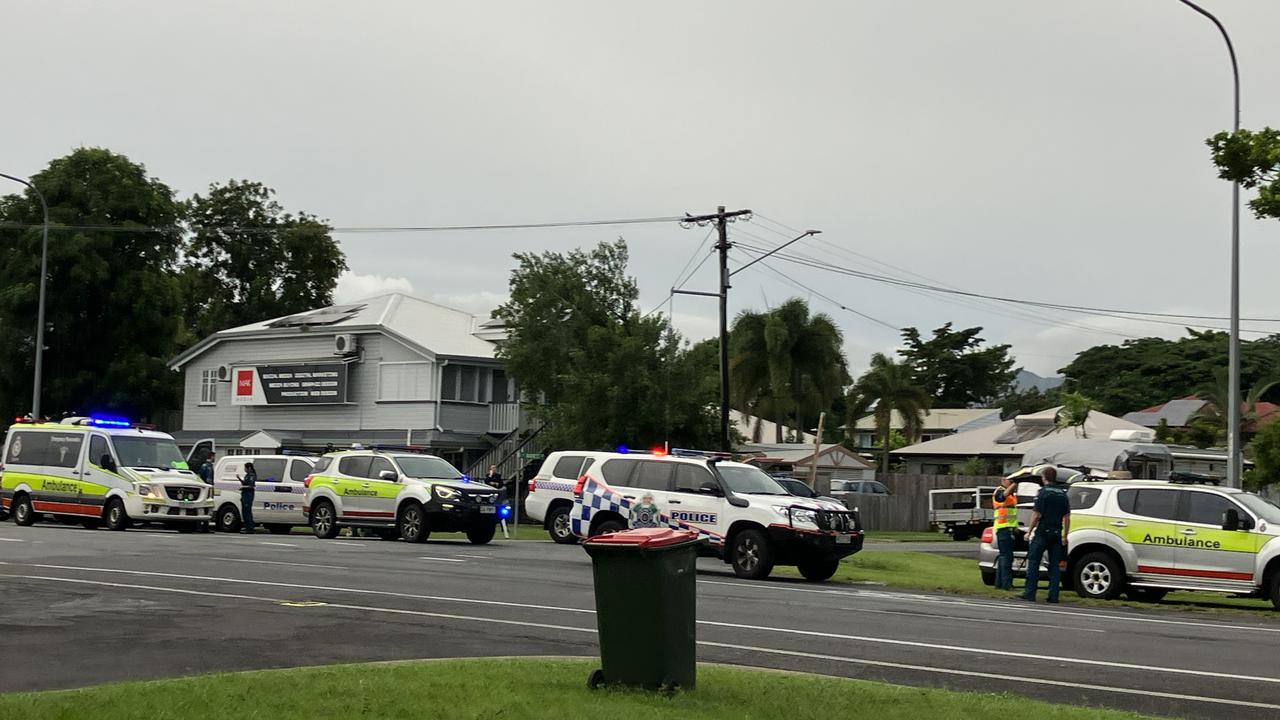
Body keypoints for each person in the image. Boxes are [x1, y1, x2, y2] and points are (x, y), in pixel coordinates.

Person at [1021, 466, 1071, 603]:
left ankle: (1030, 593)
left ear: (1044, 478)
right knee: (1055, 565)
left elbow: (1037, 514)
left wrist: (1029, 531)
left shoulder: (1042, 493)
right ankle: (1053, 595)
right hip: (1056, 532)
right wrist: (1064, 536)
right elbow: (1067, 517)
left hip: (1043, 532)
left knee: (1034, 562)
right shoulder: (1063, 494)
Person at [992, 475, 1019, 590]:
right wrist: (1015, 483)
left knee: (1005, 557)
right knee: (1006, 557)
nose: (1012, 483)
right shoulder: (1000, 491)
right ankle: (1006, 584)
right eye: (1010, 481)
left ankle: (999, 583)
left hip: (1008, 528)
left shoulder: (1012, 494)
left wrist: (1015, 528)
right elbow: (1002, 497)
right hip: (1003, 528)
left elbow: (1012, 512)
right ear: (1003, 481)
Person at [238, 461, 257, 534]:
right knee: (244, 511)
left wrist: (243, 487)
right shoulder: (247, 475)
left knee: (247, 511)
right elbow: (245, 483)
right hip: (244, 494)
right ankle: (246, 526)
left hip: (248, 494)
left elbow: (251, 485)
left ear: (249, 468)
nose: (244, 469)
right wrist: (239, 479)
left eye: (245, 468)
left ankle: (250, 528)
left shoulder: (252, 475)